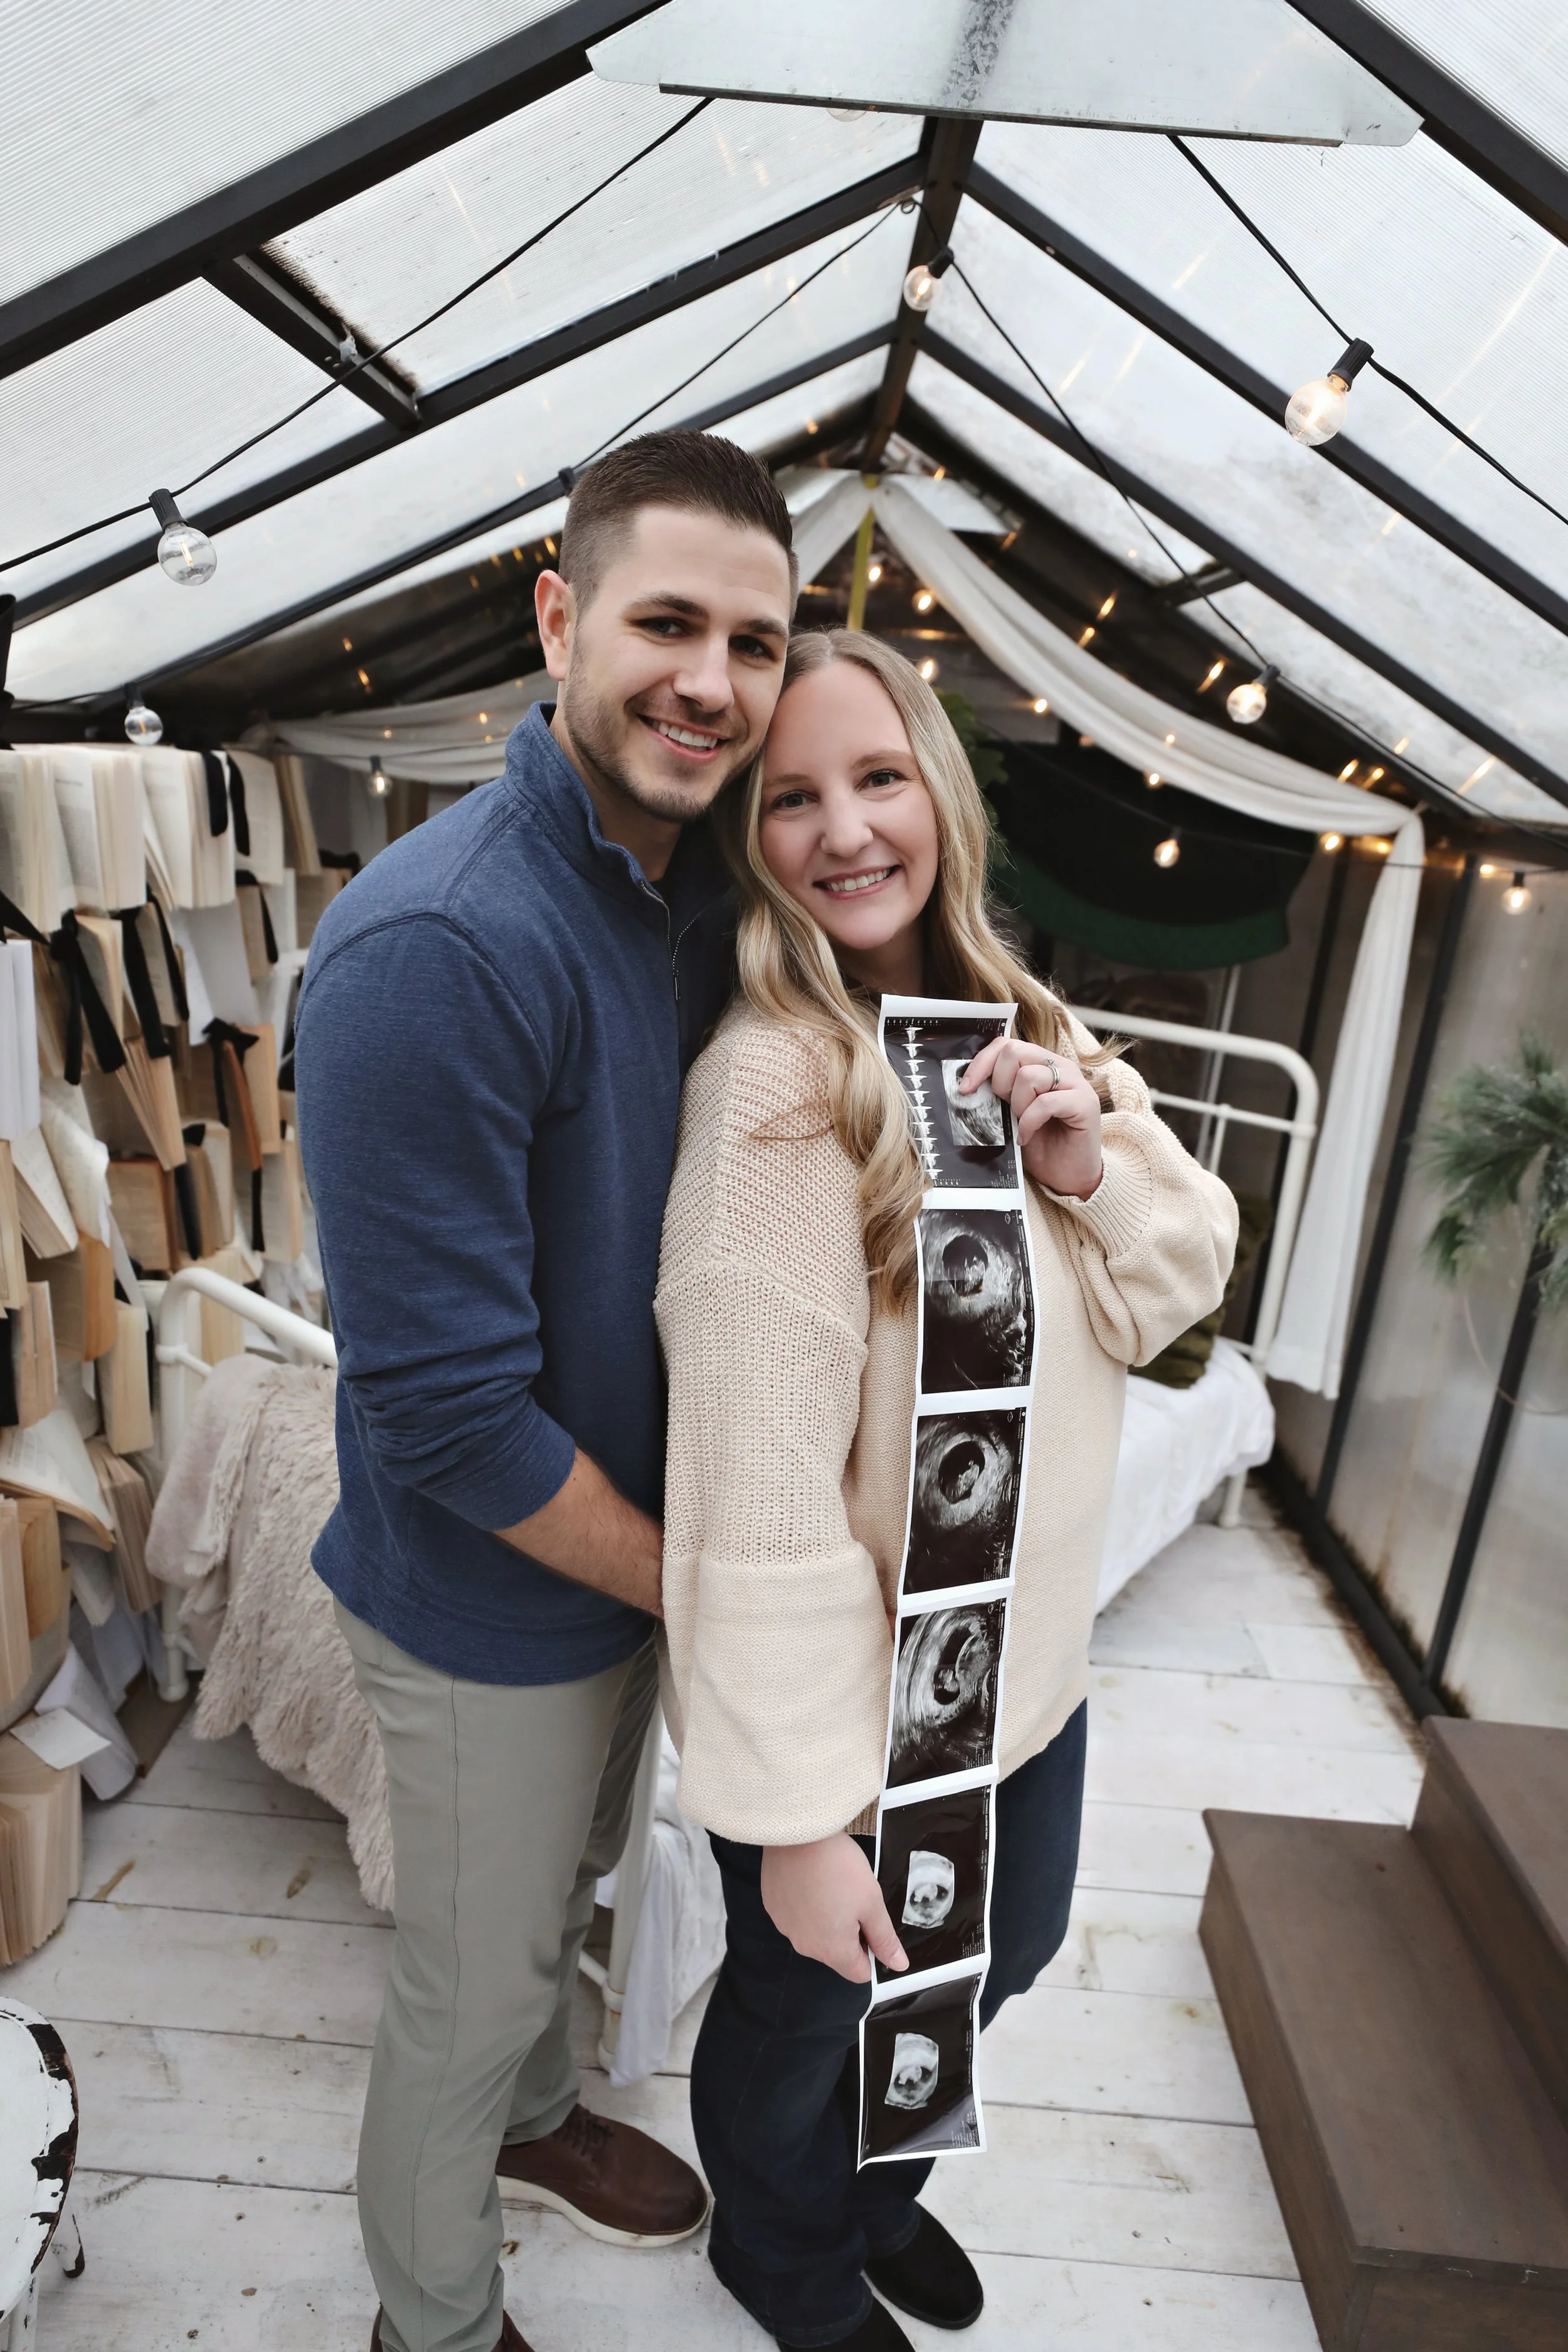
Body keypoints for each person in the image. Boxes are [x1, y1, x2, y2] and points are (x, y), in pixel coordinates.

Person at [655, 628, 1237, 2351]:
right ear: (747, 838)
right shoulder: (772, 1092)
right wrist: (795, 1817)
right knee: (803, 2010)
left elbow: (1174, 1281)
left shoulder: (1014, 1020)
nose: (844, 829)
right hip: (859, 1713)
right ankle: (780, 2249)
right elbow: (751, 1488)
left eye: (879, 776)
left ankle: (866, 2198)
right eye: (791, 797)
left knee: (1012, 1948)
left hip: (1024, 1674)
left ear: (940, 797)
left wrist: (1084, 1159)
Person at [294, 430, 797, 2352]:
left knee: (573, 1893)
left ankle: (534, 2119)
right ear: (558, 617)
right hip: (503, 1586)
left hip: (626, 1564)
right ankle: (430, 2315)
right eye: (666, 622)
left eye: (751, 643)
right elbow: (444, 1416)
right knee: (468, 1975)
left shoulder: (682, 893)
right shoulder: (439, 940)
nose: (711, 681)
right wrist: (704, 1582)